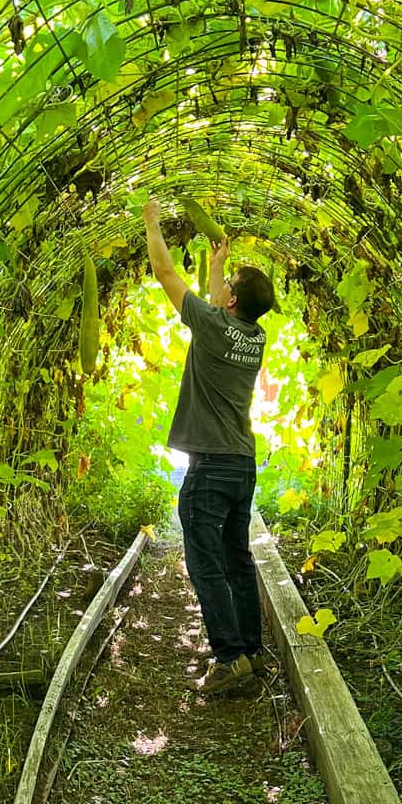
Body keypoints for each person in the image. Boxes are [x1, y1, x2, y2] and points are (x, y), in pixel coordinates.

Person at [141, 199, 277, 695]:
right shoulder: (253, 336)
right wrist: (219, 265)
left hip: (211, 466)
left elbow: (163, 270)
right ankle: (251, 652)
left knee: (205, 562)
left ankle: (228, 659)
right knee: (236, 556)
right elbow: (216, 303)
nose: (218, 289)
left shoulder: (214, 325)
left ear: (231, 302)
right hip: (242, 463)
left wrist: (153, 222)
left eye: (225, 287)